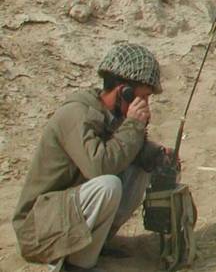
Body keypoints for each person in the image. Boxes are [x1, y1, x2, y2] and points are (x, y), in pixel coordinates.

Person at [12, 43, 172, 272]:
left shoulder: (111, 113)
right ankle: (78, 264)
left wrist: (158, 155)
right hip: (38, 229)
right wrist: (134, 125)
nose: (146, 104)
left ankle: (95, 244)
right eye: (143, 96)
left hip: (63, 213)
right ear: (124, 91)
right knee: (108, 185)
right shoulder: (76, 113)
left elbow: (125, 150)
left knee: (141, 167)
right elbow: (99, 167)